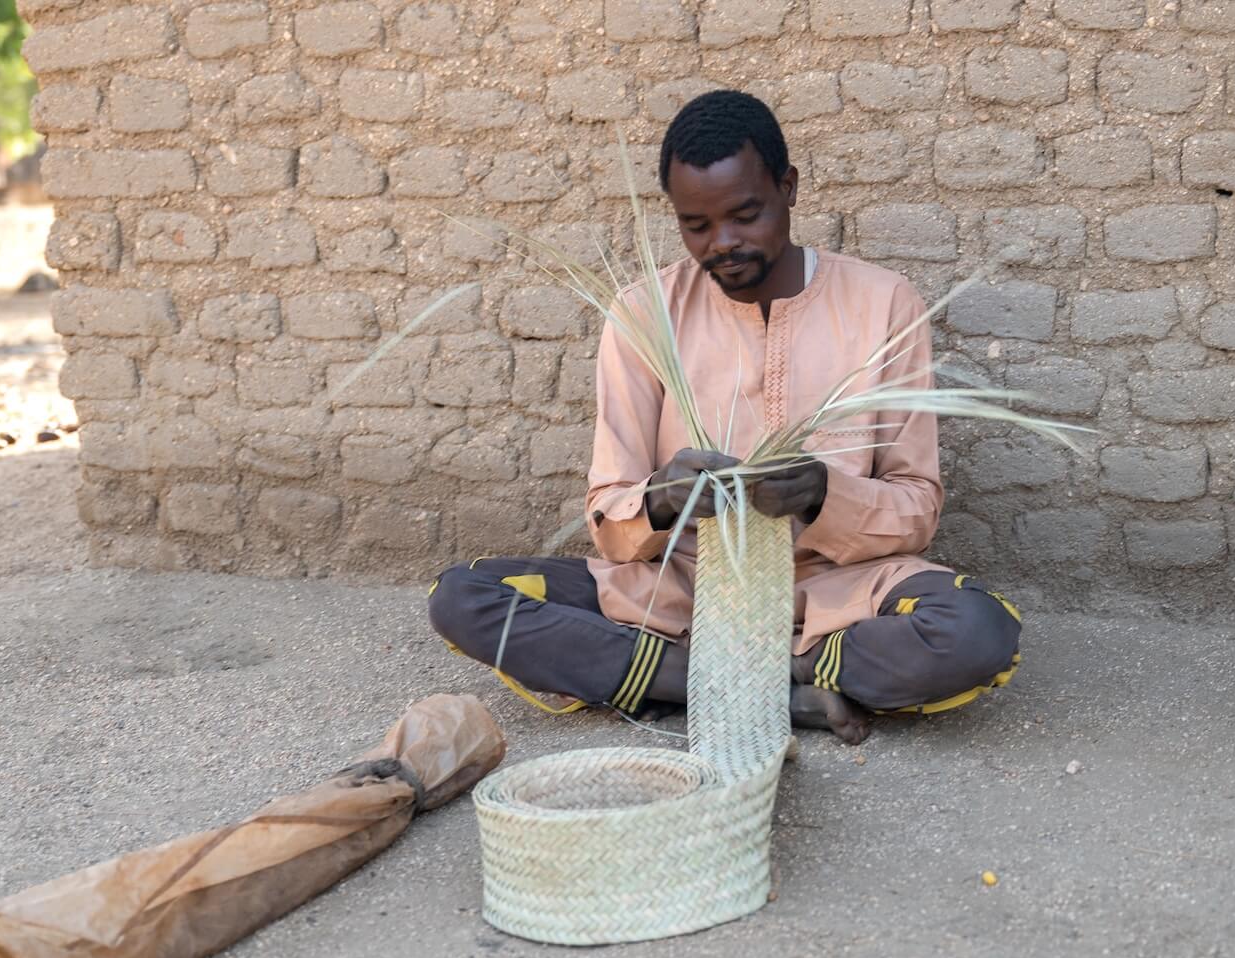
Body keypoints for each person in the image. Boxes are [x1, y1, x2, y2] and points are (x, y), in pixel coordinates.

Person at [428, 90, 1021, 745]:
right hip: (675, 592)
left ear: (788, 189)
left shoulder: (885, 305)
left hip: (834, 595)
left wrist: (827, 493)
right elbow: (608, 514)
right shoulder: (643, 312)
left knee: (978, 630)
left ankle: (698, 680)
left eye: (746, 214)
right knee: (466, 598)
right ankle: (778, 690)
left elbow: (918, 508)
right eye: (697, 226)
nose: (723, 244)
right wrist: (661, 501)